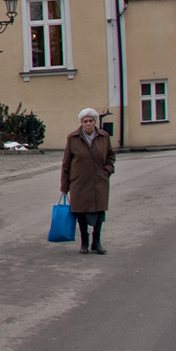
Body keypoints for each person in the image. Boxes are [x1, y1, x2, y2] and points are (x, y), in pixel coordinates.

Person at [61, 107, 116, 254]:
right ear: (81, 123)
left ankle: (96, 242)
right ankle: (84, 243)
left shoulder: (104, 137)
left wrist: (107, 171)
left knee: (99, 214)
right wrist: (64, 186)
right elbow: (66, 163)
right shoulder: (73, 138)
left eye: (91, 121)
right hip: (79, 182)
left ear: (95, 122)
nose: (88, 124)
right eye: (85, 121)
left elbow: (111, 157)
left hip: (99, 182)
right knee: (81, 214)